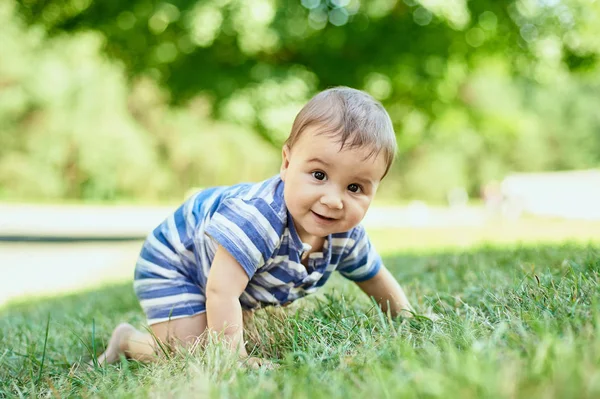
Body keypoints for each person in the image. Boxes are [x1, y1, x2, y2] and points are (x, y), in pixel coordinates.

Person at [93, 87, 414, 368]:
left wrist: (409, 321)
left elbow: (374, 276)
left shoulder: (347, 233)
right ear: (287, 164)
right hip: (177, 260)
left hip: (223, 271)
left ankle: (222, 323)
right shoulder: (259, 219)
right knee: (192, 350)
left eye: (355, 187)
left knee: (225, 326)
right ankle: (127, 341)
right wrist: (235, 358)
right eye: (319, 175)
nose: (334, 200)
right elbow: (221, 290)